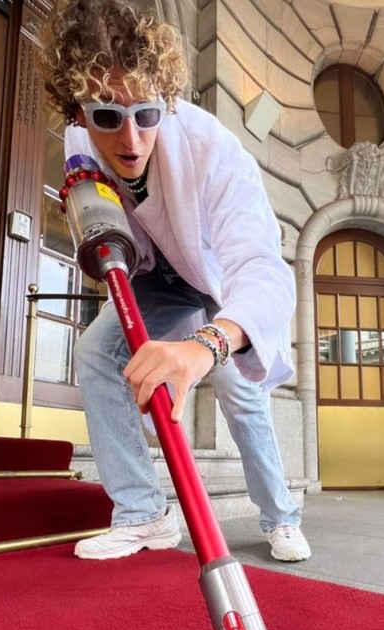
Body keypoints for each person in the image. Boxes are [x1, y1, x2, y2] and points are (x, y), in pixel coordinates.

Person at [39, 0, 311, 563]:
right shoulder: (77, 140)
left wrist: (207, 344)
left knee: (242, 396)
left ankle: (281, 516)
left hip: (216, 283)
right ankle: (144, 514)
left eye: (146, 114)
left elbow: (263, 268)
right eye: (107, 115)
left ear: (166, 101)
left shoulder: (215, 150)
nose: (131, 139)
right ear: (77, 111)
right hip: (154, 277)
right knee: (96, 351)